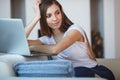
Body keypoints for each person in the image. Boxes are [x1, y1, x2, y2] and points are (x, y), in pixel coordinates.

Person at [25, 0, 115, 80]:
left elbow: (55, 49)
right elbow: (21, 42)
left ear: (62, 13)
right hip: (71, 75)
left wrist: (32, 47)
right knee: (65, 73)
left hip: (96, 72)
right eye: (48, 16)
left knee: (77, 71)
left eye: (57, 13)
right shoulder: (46, 39)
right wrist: (37, 17)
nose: (55, 18)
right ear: (43, 19)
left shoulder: (75, 30)